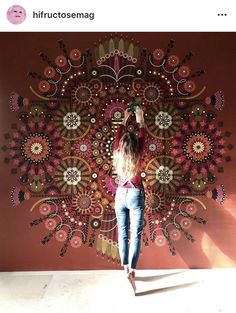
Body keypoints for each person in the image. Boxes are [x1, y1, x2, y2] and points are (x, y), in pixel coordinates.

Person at [113, 106, 146, 293]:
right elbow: (142, 134)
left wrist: (124, 120)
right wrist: (140, 118)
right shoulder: (138, 153)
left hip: (120, 194)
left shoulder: (118, 152)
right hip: (135, 194)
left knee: (123, 232)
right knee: (135, 235)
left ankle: (125, 267)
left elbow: (119, 136)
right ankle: (132, 271)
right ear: (135, 145)